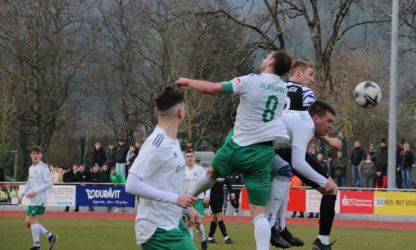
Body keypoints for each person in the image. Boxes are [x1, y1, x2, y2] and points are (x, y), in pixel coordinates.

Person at [176, 50, 293, 250]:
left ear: (271, 61)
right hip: (264, 153)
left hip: (239, 147)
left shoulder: (250, 81)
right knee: (259, 213)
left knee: (212, 172)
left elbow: (212, 89)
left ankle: (186, 200)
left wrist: (188, 82)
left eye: (267, 56)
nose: (264, 58)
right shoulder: (283, 89)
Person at [268, 59, 340, 249]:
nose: (312, 80)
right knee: (331, 188)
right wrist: (328, 139)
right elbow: (310, 121)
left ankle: (280, 227)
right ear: (297, 73)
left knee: (283, 176)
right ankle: (321, 241)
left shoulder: (277, 87)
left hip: (273, 144)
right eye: (310, 74)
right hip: (292, 147)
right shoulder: (306, 93)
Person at [125, 87, 200, 250]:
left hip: (173, 224)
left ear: (155, 111)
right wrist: (175, 199)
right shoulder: (156, 143)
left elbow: (168, 184)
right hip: (158, 230)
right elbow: (131, 184)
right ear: (181, 113)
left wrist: (188, 209)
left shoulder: (172, 142)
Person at [18, 146, 58, 250]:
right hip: (34, 199)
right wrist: (22, 194)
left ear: (41, 155)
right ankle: (50, 236)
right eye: (33, 153)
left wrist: (35, 191)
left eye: (38, 153)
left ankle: (37, 246)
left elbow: (49, 183)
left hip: (40, 198)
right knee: (28, 223)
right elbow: (29, 183)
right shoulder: (31, 168)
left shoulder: (43, 168)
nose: (35, 155)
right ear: (30, 155)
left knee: (32, 221)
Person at [183, 150, 209, 250]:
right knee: (188, 223)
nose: (189, 158)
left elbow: (207, 182)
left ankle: (203, 240)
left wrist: (207, 195)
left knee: (197, 223)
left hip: (198, 199)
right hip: (186, 200)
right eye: (187, 156)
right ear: (185, 158)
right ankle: (191, 246)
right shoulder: (182, 170)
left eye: (191, 156)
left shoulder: (200, 170)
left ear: (194, 158)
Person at [206, 177, 234, 245]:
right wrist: (207, 196)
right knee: (220, 216)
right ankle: (226, 238)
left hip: (220, 197)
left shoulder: (223, 172)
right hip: (213, 197)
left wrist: (232, 192)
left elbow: (228, 183)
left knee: (214, 218)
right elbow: (207, 184)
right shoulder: (214, 172)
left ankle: (210, 238)